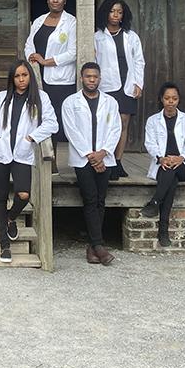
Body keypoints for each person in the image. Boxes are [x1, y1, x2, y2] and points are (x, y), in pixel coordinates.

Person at [0, 60, 58, 264]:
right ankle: (4, 245)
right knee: (1, 196)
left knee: (23, 194)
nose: (21, 79)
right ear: (12, 78)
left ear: (30, 76)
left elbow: (52, 123)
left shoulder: (41, 98)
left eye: (24, 75)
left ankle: (10, 218)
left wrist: (31, 138)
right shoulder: (1, 98)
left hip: (22, 153)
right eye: (17, 76)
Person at [61, 62, 121, 265]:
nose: (92, 80)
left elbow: (115, 129)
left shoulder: (111, 102)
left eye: (95, 77)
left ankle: (92, 246)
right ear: (81, 78)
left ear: (100, 78)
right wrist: (91, 156)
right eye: (88, 76)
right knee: (90, 198)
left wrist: (102, 153)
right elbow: (72, 131)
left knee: (100, 201)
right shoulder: (71, 102)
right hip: (82, 159)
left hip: (105, 158)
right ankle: (100, 245)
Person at [141, 82, 185, 248]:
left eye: (174, 98)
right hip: (163, 164)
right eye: (167, 98)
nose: (171, 102)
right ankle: (163, 232)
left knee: (172, 172)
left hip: (183, 164)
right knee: (170, 181)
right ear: (162, 99)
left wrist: (181, 158)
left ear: (178, 100)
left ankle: (154, 203)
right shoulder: (153, 121)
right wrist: (161, 158)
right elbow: (149, 144)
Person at [94, 0, 145, 179]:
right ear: (106, 13)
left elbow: (139, 61)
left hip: (127, 84)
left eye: (119, 12)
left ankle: (118, 161)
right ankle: (105, 161)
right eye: (112, 11)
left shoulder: (131, 36)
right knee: (108, 124)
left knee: (124, 122)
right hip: (107, 85)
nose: (116, 15)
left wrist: (138, 83)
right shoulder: (97, 37)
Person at [24, 0, 77, 142]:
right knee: (38, 117)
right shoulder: (39, 20)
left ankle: (54, 161)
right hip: (38, 76)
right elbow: (29, 44)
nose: (55, 0)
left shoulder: (71, 22)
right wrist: (32, 57)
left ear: (65, 1)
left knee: (56, 120)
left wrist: (46, 61)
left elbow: (73, 52)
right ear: (47, 0)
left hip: (59, 80)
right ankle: (46, 161)